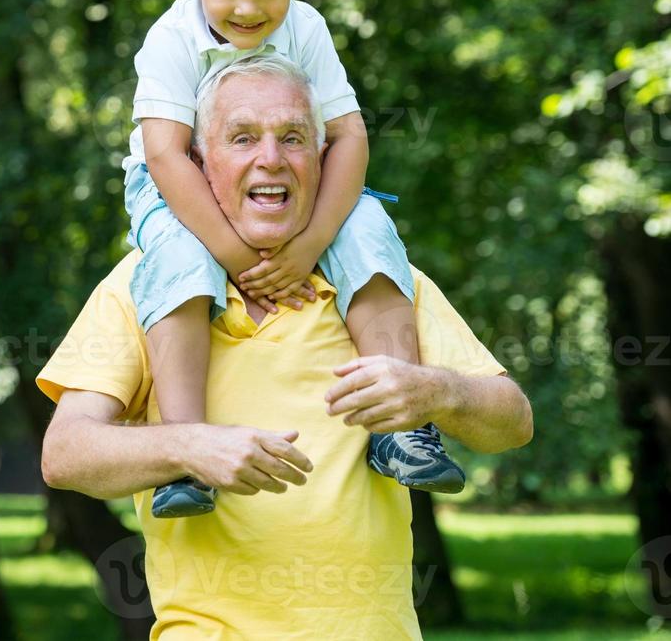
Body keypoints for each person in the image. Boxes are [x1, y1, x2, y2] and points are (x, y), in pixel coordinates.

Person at [40, 55, 532, 638]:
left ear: (324, 161)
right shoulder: (145, 286)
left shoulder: (380, 282)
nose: (270, 158)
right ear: (199, 163)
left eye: (293, 138)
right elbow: (65, 453)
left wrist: (439, 391)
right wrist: (188, 447)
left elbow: (514, 421)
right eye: (242, 137)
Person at [122, 0, 460, 518]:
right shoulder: (170, 41)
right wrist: (232, 254)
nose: (249, 9)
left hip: (288, 185)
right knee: (179, 264)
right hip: (179, 184)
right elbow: (165, 154)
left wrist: (310, 246)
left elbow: (350, 137)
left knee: (368, 231)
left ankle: (402, 432)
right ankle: (186, 455)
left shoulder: (305, 28)